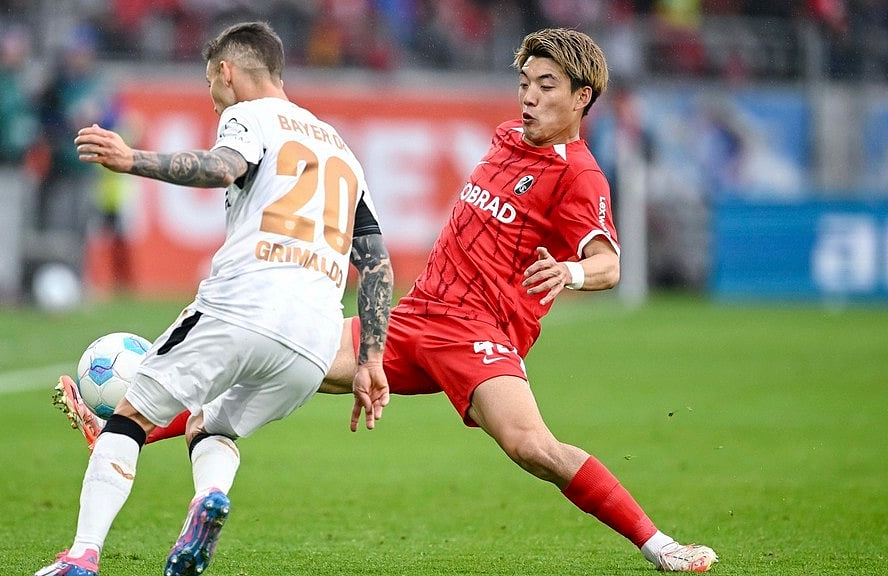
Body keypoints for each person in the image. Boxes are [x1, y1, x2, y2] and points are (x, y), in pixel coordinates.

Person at [55, 27, 717, 573]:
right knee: (280, 362)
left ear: (583, 95)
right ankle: (128, 427)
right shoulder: (506, 141)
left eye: (546, 87)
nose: (529, 98)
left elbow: (608, 262)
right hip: (415, 317)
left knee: (532, 449)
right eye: (524, 84)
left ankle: (662, 547)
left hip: (478, 335)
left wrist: (570, 276)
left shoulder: (579, 173)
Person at [35, 21, 393, 576]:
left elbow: (224, 166)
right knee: (210, 425)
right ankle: (208, 500)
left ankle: (81, 557)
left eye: (210, 81)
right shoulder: (341, 148)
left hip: (244, 304)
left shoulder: (247, 116)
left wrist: (134, 160)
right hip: (315, 340)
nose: (210, 95)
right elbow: (375, 259)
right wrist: (370, 358)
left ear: (227, 71)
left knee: (128, 417)